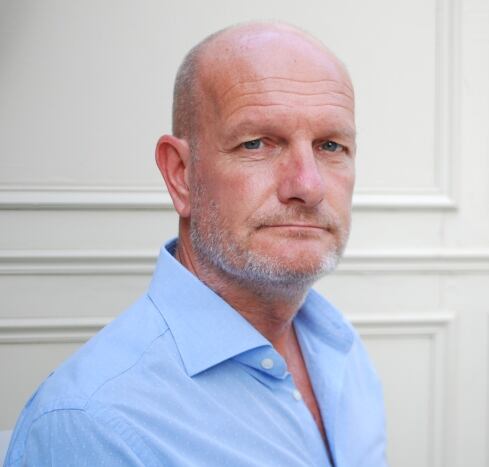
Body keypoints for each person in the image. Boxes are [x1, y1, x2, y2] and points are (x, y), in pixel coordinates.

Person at [4, 22, 386, 466]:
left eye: (331, 145)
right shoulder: (89, 423)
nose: (308, 185)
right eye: (256, 143)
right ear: (180, 175)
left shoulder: (341, 348)